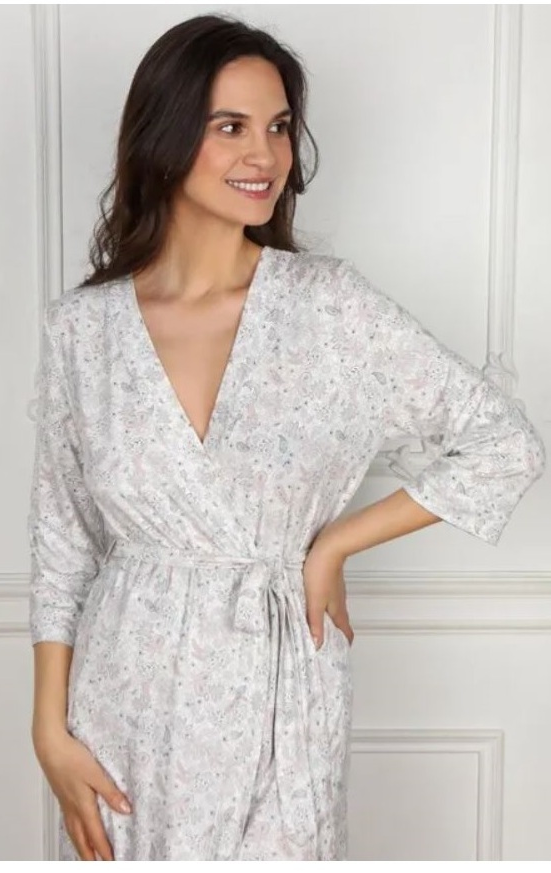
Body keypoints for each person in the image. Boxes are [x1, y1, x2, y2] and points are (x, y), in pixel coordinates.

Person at [28, 14, 545, 862]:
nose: (265, 155)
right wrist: (49, 730)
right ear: (164, 135)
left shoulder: (328, 307)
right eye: (230, 126)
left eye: (277, 127)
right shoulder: (83, 329)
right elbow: (63, 544)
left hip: (280, 687)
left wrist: (334, 542)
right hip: (122, 703)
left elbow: (504, 442)